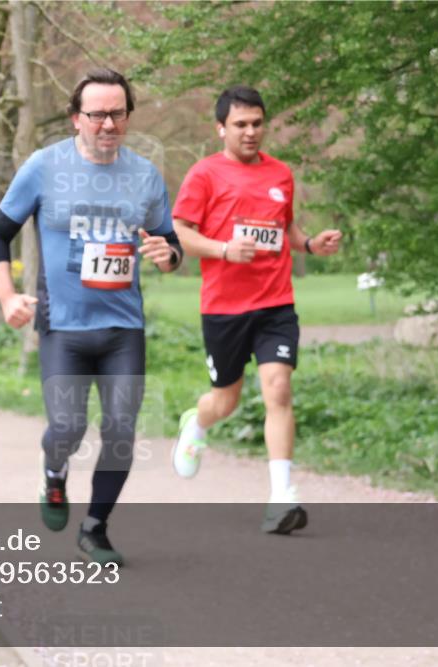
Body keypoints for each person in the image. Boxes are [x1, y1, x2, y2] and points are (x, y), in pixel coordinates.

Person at [0, 68, 182, 565]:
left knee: (120, 431)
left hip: (122, 330)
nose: (108, 123)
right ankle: (54, 473)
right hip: (63, 326)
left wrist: (168, 255)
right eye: (97, 114)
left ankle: (95, 528)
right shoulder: (43, 167)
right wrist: (8, 297)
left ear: (128, 117)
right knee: (68, 428)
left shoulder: (144, 175)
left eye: (117, 113)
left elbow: (171, 244)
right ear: (77, 119)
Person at [170, 85, 342, 534]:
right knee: (224, 400)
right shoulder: (204, 175)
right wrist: (224, 249)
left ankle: (281, 497)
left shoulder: (281, 174)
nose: (250, 132)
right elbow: (182, 233)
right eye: (241, 125)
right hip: (224, 307)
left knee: (278, 389)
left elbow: (282, 227)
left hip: (275, 303)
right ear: (221, 128)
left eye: (257, 123)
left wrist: (308, 243)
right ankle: (197, 422)